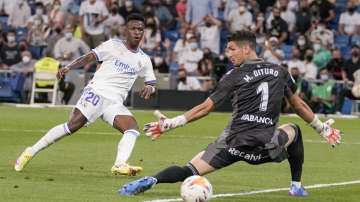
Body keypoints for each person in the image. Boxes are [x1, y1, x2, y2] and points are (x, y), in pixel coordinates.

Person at [118, 31, 342, 196]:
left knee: (190, 169)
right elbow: (298, 106)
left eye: (232, 49)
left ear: (247, 49)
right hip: (266, 146)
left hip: (232, 144)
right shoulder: (280, 72)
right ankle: (296, 186)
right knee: (294, 130)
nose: (228, 54)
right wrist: (322, 128)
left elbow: (206, 107)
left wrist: (171, 124)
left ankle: (152, 179)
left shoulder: (233, 76)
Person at [14, 14, 157, 176]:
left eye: (140, 29)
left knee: (132, 128)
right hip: (97, 92)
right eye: (133, 28)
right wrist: (69, 67)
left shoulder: (144, 59)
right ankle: (31, 151)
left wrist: (149, 89)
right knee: (72, 126)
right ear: (126, 30)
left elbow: (151, 83)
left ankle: (119, 164)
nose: (137, 32)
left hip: (114, 103)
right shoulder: (113, 45)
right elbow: (89, 56)